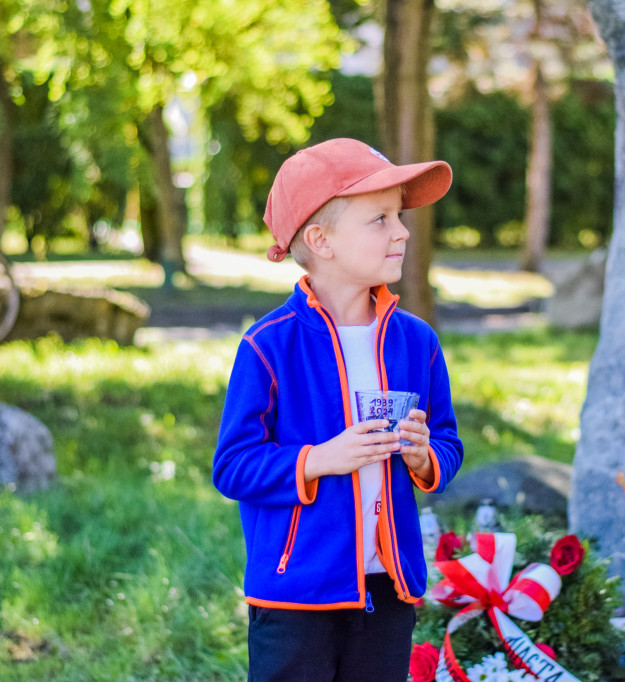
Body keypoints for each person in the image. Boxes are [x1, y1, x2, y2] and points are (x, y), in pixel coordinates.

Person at [212, 138, 464, 681]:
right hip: (296, 592)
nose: (401, 231)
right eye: (379, 218)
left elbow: (447, 441)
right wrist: (320, 459)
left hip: (388, 587)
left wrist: (425, 458)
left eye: (399, 216)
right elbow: (232, 467)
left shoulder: (416, 342)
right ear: (320, 240)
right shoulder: (268, 346)